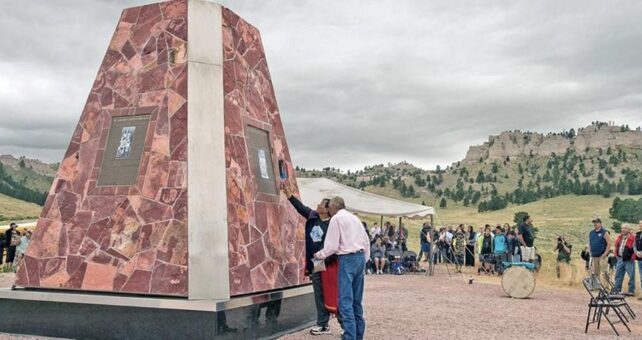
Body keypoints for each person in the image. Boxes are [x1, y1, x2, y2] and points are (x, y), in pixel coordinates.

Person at [282, 184, 339, 336]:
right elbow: (301, 208)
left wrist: (324, 262)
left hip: (329, 263)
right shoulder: (313, 217)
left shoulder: (333, 225)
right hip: (316, 264)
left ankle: (345, 324)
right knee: (319, 293)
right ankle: (323, 324)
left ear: (327, 209)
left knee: (333, 292)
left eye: (321, 204)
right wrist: (289, 195)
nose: (318, 205)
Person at [315, 196, 370, 340]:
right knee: (356, 301)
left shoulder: (336, 219)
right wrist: (364, 260)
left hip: (346, 259)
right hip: (360, 257)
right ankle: (358, 336)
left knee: (345, 301)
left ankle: (349, 336)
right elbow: (366, 241)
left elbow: (331, 246)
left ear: (333, 207)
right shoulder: (355, 219)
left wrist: (319, 255)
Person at [588, 217, 611, 287]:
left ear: (600, 223)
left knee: (604, 272)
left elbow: (609, 244)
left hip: (602, 256)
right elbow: (590, 243)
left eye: (596, 222)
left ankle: (606, 287)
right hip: (594, 255)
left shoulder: (605, 232)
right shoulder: (591, 232)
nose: (595, 224)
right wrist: (590, 251)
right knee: (595, 272)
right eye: (594, 222)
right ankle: (596, 286)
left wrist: (605, 253)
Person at [613, 224, 636, 296]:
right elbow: (616, 246)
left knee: (631, 275)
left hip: (629, 260)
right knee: (618, 275)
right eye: (622, 228)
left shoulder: (633, 238)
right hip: (620, 258)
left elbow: (635, 248)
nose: (623, 230)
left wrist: (633, 257)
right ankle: (617, 290)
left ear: (629, 230)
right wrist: (616, 255)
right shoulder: (620, 237)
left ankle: (631, 291)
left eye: (625, 228)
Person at [634, 220, 642, 300]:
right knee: (641, 277)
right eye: (639, 224)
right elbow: (634, 245)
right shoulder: (637, 234)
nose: (640, 225)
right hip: (639, 259)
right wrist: (636, 252)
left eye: (641, 224)